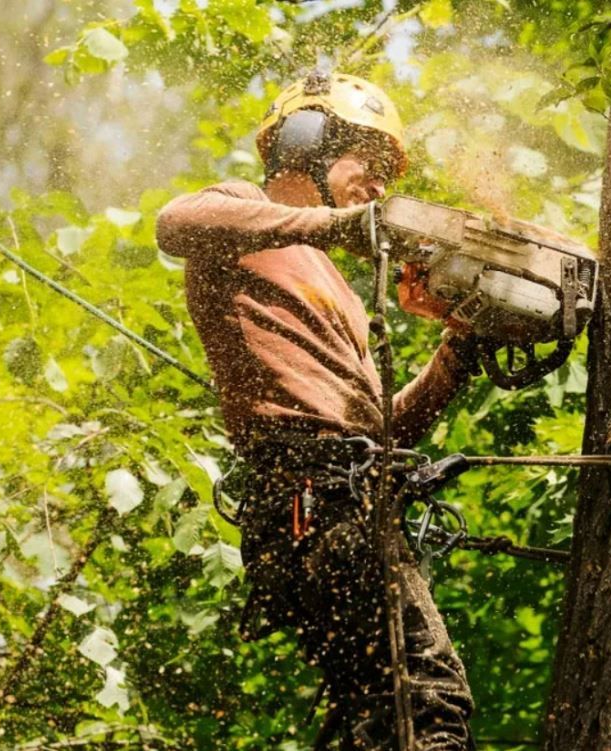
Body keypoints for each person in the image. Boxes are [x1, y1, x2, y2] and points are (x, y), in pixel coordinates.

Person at [156, 71, 478, 749]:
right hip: (311, 494)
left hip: (345, 492)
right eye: (374, 164)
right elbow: (174, 222)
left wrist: (459, 346)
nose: (382, 186)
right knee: (426, 698)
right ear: (310, 144)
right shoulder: (239, 211)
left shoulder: (339, 289)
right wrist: (338, 225)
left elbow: (377, 425)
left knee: (379, 709)